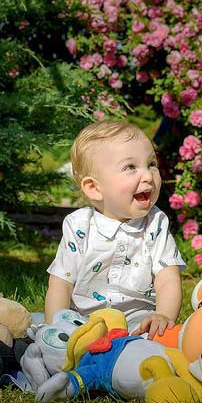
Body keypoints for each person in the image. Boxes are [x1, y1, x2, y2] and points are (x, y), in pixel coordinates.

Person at [44, 120, 186, 339]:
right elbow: (61, 282)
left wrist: (163, 316)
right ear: (94, 188)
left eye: (151, 164)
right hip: (84, 322)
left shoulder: (156, 223)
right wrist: (55, 327)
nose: (148, 176)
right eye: (130, 167)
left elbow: (168, 278)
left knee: (165, 345)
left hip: (138, 324)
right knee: (47, 342)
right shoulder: (79, 225)